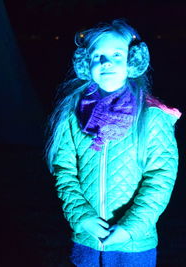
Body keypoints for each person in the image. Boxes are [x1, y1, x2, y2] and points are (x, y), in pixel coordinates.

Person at [44, 19, 181, 266]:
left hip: (133, 243)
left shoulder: (152, 116)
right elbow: (64, 170)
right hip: (87, 239)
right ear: (86, 64)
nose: (106, 62)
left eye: (117, 54)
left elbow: (161, 176)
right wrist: (82, 217)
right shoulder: (73, 115)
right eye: (98, 56)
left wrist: (131, 228)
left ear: (133, 61)